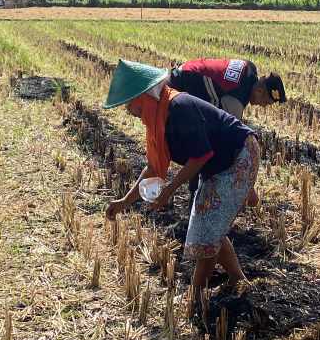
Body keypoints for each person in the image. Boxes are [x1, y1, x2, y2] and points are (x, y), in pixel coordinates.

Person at [103, 59, 262, 308]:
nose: (129, 111)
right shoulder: (158, 118)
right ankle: (238, 279)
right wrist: (124, 202)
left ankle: (195, 298)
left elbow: (200, 156)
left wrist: (169, 191)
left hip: (238, 157)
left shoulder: (179, 107)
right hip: (219, 165)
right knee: (209, 224)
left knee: (205, 232)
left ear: (145, 96)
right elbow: (154, 168)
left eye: (129, 104)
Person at [167, 58, 286, 119]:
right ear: (259, 91)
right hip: (182, 82)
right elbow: (227, 130)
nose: (263, 106)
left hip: (189, 66)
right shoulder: (236, 101)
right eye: (265, 102)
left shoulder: (249, 67)